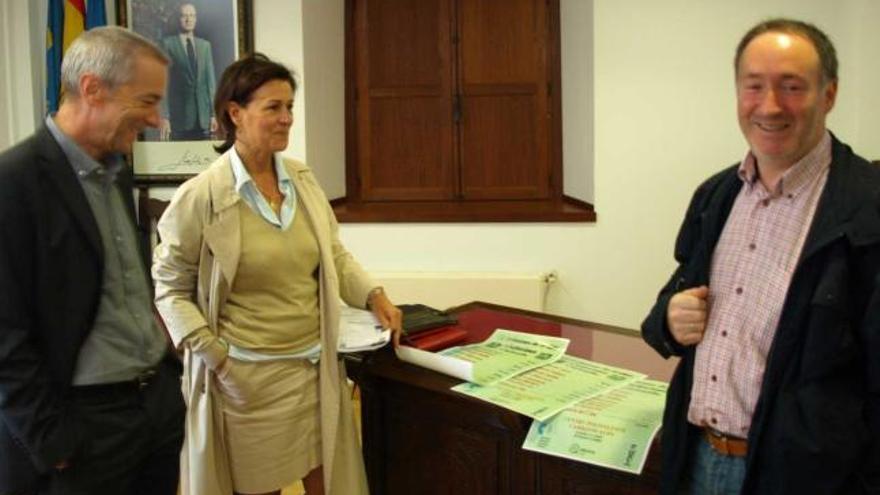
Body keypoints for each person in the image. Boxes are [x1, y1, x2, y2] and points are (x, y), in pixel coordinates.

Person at [642, 18, 880, 495]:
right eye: (754, 87)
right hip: (695, 459)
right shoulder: (717, 195)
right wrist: (669, 318)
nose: (770, 106)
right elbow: (675, 297)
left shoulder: (867, 207)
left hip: (804, 480)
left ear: (829, 95)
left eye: (792, 86)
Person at [152, 53, 403, 495]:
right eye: (273, 107)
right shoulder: (201, 196)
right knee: (258, 488)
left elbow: (334, 256)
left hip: (314, 372)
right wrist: (216, 356)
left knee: (333, 481)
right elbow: (169, 290)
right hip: (247, 384)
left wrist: (373, 295)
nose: (287, 118)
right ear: (235, 113)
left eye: (289, 106)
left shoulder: (301, 179)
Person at [0, 26, 185, 494]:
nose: (154, 117)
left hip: (154, 411)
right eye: (146, 100)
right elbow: (4, 335)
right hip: (82, 428)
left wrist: (168, 383)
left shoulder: (117, 175)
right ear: (91, 89)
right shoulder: (13, 184)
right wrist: (51, 442)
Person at [159, 2, 216, 141]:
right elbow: (163, 83)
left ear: (196, 19)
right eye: (184, 16)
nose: (188, 19)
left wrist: (213, 114)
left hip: (203, 119)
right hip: (179, 119)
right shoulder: (168, 44)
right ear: (178, 19)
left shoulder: (205, 46)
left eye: (192, 15)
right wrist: (164, 116)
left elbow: (210, 83)